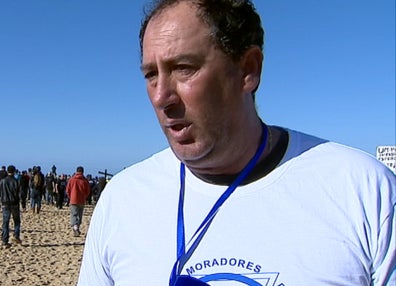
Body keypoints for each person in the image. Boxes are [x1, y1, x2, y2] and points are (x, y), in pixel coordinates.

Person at [77, 1, 396, 285]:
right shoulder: (122, 199)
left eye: (183, 68)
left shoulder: (364, 191)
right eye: (151, 75)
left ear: (248, 69)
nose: (161, 97)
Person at [0, 165, 21, 248]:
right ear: (14, 171)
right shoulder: (16, 181)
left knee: (5, 222)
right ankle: (16, 236)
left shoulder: (3, 181)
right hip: (14, 203)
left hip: (5, 203)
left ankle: (5, 241)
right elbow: (19, 193)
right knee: (16, 221)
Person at [66, 166, 90, 237]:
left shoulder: (72, 179)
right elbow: (88, 191)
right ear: (83, 172)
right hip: (81, 200)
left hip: (73, 199)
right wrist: (84, 197)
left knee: (74, 214)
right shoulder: (85, 180)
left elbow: (67, 190)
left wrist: (70, 197)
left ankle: (75, 227)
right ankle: (77, 227)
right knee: (79, 215)